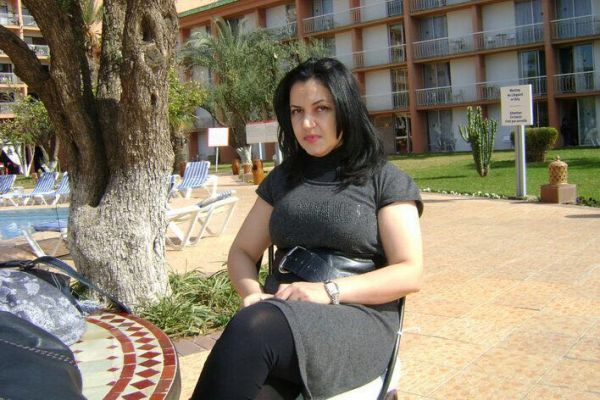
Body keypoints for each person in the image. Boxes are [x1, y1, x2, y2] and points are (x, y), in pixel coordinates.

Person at [191, 57, 423, 399]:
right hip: (283, 321)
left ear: (346, 109)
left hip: (355, 317)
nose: (306, 123)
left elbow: (410, 272)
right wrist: (251, 293)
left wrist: (327, 291)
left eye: (321, 108)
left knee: (253, 328)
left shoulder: (384, 180)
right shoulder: (283, 179)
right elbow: (242, 251)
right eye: (297, 111)